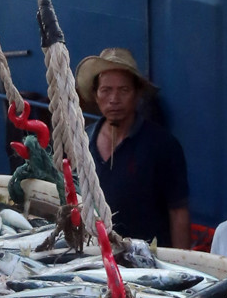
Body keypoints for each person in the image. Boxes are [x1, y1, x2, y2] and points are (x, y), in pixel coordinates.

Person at [75, 48, 190, 249]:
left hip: (146, 264)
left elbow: (178, 212)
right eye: (106, 90)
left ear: (137, 94)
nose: (114, 99)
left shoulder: (162, 145)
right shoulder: (82, 142)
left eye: (124, 90)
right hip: (94, 259)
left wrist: (182, 265)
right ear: (95, 95)